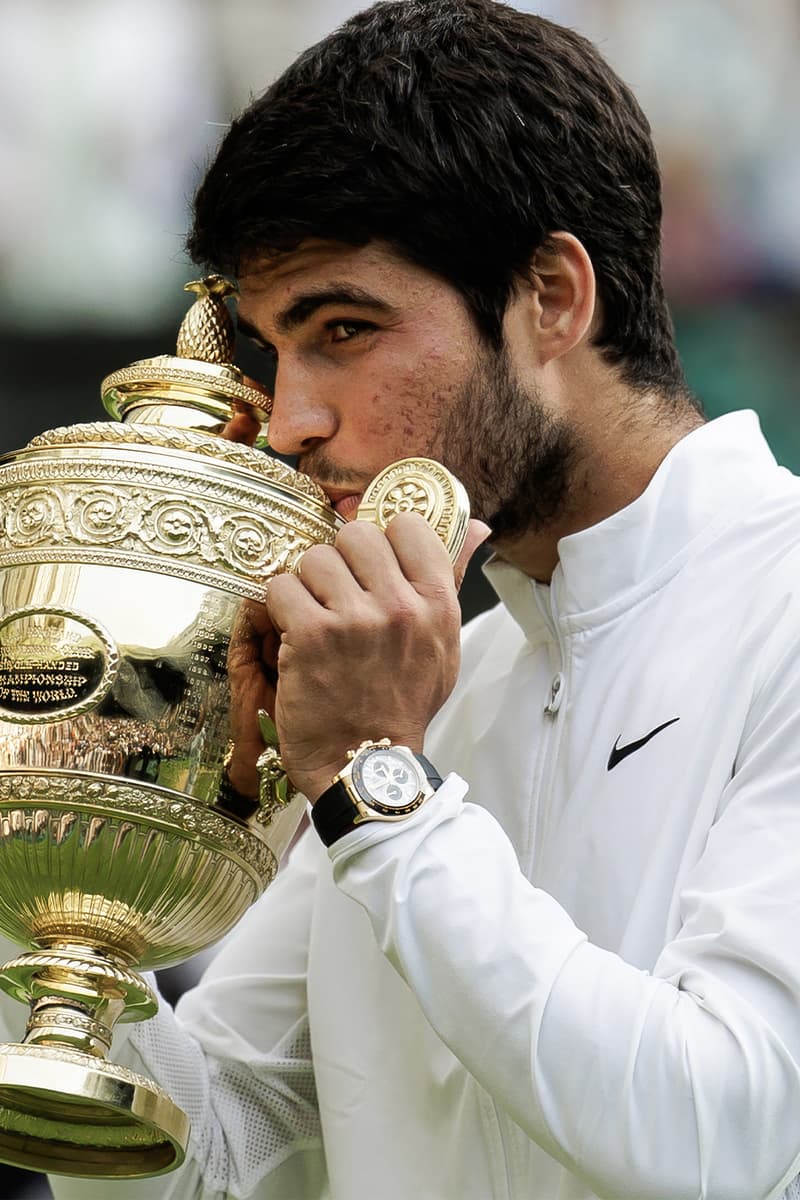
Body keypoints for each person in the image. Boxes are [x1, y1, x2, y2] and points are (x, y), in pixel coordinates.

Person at [24, 1, 800, 1197]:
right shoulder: (443, 683)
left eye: (345, 327)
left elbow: (725, 1136)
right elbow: (204, 1162)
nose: (291, 422)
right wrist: (80, 874)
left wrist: (384, 788)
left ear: (551, 297)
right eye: (274, 349)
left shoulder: (776, 606)